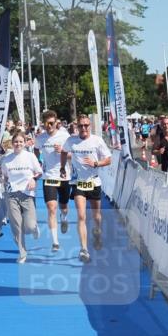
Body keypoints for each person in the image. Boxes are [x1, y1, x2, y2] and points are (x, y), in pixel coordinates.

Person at [60, 115, 113, 263]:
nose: (83, 128)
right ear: (77, 127)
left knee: (96, 216)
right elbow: (64, 152)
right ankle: (84, 249)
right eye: (81, 126)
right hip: (78, 183)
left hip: (94, 182)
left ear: (90, 126)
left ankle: (97, 233)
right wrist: (63, 167)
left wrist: (96, 163)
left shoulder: (97, 140)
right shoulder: (71, 140)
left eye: (86, 125)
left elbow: (109, 159)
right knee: (82, 216)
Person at [0, 129, 42, 263]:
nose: (18, 144)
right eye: (16, 142)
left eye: (21, 142)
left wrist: (33, 179)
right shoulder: (7, 159)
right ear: (12, 143)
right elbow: (4, 177)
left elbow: (39, 172)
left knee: (28, 226)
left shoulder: (30, 156)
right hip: (11, 195)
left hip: (27, 194)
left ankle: (34, 228)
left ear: (25, 143)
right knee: (16, 225)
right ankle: (22, 253)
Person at [34, 110, 71, 252]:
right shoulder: (40, 138)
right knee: (51, 208)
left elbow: (72, 156)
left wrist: (63, 151)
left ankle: (64, 217)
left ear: (56, 123)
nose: (49, 126)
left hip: (63, 176)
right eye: (46, 124)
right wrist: (38, 161)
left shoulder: (64, 136)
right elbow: (36, 150)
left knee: (64, 206)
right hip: (48, 176)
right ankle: (55, 242)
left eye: (51, 123)